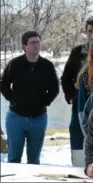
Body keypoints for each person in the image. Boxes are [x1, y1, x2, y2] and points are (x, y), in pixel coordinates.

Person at [0, 31, 59, 164]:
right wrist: (14, 100)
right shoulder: (15, 64)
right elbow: (3, 84)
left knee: (34, 160)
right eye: (32, 43)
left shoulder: (47, 66)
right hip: (16, 117)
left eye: (38, 42)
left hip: (39, 119)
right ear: (24, 46)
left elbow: (55, 88)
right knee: (14, 159)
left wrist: (45, 102)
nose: (36, 45)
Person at [61, 16, 93, 166]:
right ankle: (78, 168)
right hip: (80, 106)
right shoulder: (78, 52)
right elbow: (65, 78)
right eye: (90, 31)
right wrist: (73, 96)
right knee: (77, 137)